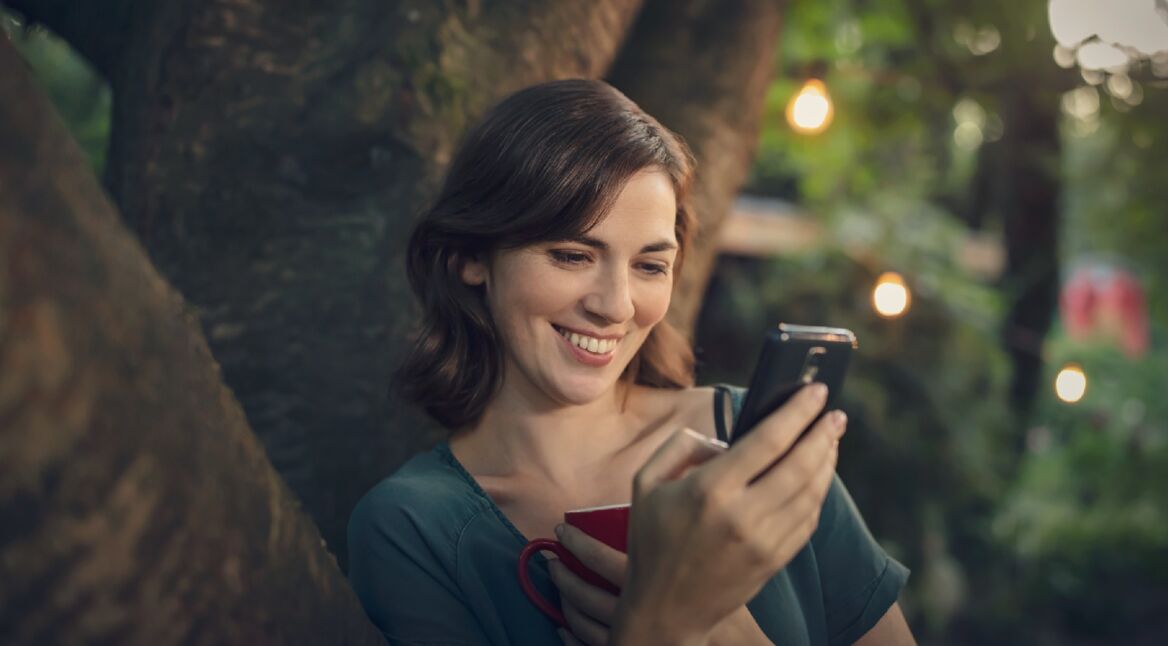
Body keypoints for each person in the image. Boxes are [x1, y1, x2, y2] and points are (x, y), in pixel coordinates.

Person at [348, 79, 913, 645]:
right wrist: (659, 629)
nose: (615, 306)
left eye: (649, 266)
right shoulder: (411, 529)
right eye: (572, 255)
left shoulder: (753, 446)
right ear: (471, 257)